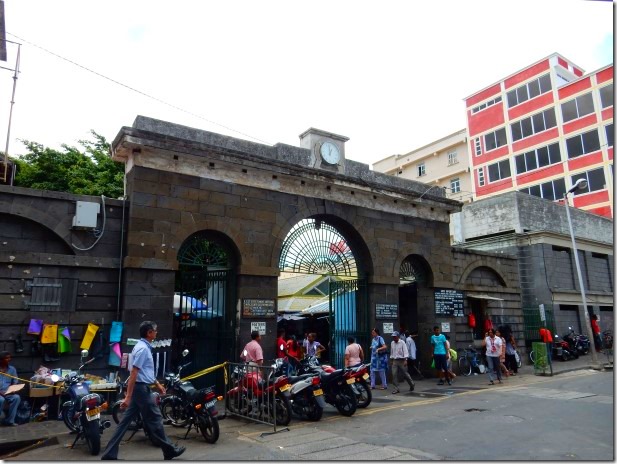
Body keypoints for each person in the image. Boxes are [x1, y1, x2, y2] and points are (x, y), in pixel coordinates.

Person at [101, 321, 185, 460]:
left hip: (141, 388)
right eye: (155, 330)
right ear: (149, 333)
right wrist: (128, 396)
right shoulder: (142, 349)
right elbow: (134, 372)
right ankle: (169, 450)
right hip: (140, 390)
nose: (157, 333)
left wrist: (157, 383)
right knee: (155, 419)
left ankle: (109, 453)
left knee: (125, 422)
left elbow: (144, 371)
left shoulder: (143, 347)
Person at [0, 351, 22, 427]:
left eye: (9, 357)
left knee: (16, 398)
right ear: (1, 360)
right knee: (1, 400)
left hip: (7, 392)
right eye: (7, 358)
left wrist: (13, 389)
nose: (9, 359)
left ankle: (10, 421)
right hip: (0, 393)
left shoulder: (12, 369)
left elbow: (15, 381)